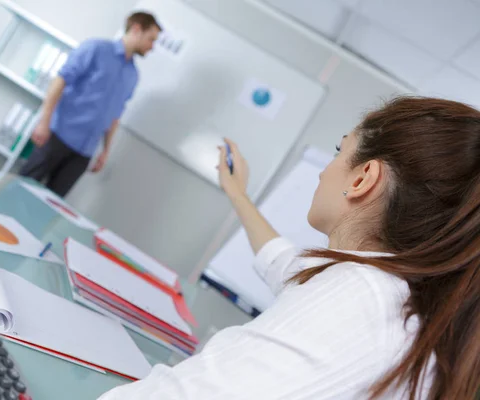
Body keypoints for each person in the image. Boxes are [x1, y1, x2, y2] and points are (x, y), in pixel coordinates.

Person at [98, 97, 480, 399]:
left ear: (364, 177)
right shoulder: (402, 305)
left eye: (338, 150)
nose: (323, 170)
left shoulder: (357, 299)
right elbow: (284, 263)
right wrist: (238, 193)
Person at [20, 12, 161, 197]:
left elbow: (115, 116)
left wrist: (105, 151)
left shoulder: (132, 75)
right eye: (151, 39)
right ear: (136, 29)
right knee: (20, 189)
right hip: (57, 136)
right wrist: (44, 122)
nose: (152, 47)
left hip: (84, 153)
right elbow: (60, 81)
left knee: (49, 205)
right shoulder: (96, 49)